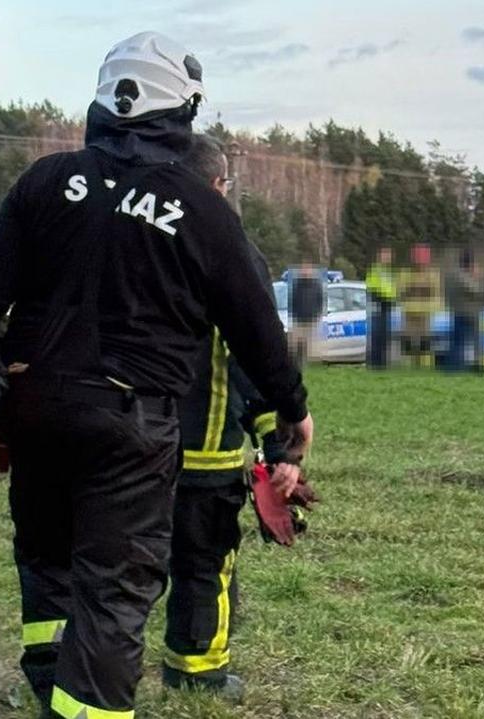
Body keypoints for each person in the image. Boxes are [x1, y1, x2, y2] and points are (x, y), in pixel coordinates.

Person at [0, 32, 313, 719]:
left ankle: (52, 678)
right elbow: (254, 325)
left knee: (50, 561)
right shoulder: (199, 207)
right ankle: (82, 705)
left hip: (35, 408)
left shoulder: (43, 182)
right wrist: (292, 410)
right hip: (129, 423)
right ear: (180, 113)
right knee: (115, 592)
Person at [160, 134, 292, 698]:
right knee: (205, 562)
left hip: (126, 442)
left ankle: (81, 669)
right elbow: (257, 353)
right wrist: (278, 446)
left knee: (114, 566)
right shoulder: (233, 250)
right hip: (204, 448)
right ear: (218, 186)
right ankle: (197, 674)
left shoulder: (132, 238)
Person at [398, 243, 442, 368]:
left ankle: (425, 367)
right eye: (418, 261)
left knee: (425, 344)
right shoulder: (406, 274)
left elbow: (437, 295)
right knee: (408, 343)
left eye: (422, 261)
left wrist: (431, 308)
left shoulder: (433, 274)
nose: (420, 264)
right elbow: (400, 294)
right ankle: (408, 367)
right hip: (409, 315)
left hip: (424, 316)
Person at [365, 246, 397, 367]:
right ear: (380, 256)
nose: (387, 258)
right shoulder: (375, 270)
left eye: (389, 256)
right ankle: (375, 363)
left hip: (388, 308)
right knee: (376, 337)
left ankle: (383, 363)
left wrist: (393, 300)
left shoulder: (391, 272)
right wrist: (379, 299)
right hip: (378, 307)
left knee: (385, 338)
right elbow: (371, 288)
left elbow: (394, 289)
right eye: (385, 255)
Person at [287, 265, 324, 365]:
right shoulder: (298, 284)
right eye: (304, 270)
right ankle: (294, 362)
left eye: (307, 270)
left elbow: (320, 300)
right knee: (295, 343)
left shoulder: (316, 285)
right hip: (299, 318)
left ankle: (304, 362)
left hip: (311, 319)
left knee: (307, 343)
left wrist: (317, 314)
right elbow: (293, 300)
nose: (305, 272)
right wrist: (294, 314)